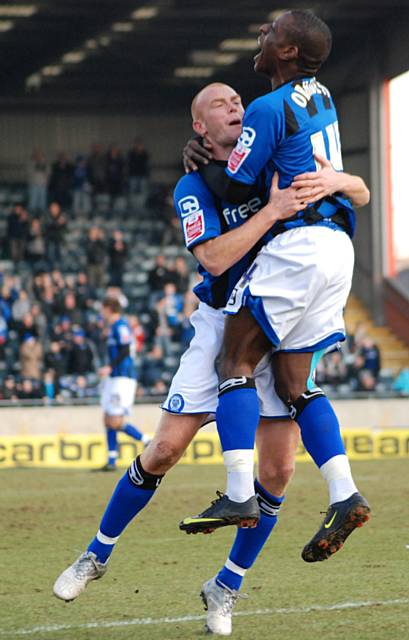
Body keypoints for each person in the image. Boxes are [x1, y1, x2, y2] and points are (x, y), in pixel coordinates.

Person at [53, 82, 368, 636]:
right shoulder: (193, 184)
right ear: (200, 127)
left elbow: (359, 190)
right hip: (223, 322)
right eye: (221, 105)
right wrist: (271, 212)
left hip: (281, 312)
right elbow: (215, 257)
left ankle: (226, 587)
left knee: (279, 470)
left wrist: (337, 178)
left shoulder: (275, 154)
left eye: (239, 104)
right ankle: (95, 556)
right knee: (164, 449)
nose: (236, 109)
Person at [181, 10, 371, 567]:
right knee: (295, 383)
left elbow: (236, 179)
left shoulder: (266, 108)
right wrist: (341, 181)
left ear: (288, 52)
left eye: (270, 34)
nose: (260, 39)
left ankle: (239, 491)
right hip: (339, 249)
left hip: (299, 247)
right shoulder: (324, 95)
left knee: (233, 361)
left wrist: (191, 158)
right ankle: (344, 493)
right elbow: (338, 179)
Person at [97, 296, 150, 471]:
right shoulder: (113, 327)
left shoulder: (120, 325)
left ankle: (146, 441)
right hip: (114, 378)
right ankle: (111, 460)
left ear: (108, 309)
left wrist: (109, 367)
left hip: (123, 377)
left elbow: (126, 348)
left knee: (115, 420)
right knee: (107, 418)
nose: (100, 313)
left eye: (102, 309)